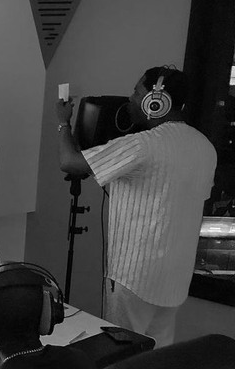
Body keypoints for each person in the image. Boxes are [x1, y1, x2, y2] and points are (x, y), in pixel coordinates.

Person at [56, 66, 217, 349]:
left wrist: (63, 124)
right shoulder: (205, 147)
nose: (130, 99)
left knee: (121, 354)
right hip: (175, 277)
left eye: (136, 92)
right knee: (156, 355)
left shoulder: (143, 145)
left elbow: (69, 162)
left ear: (157, 101)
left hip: (134, 276)